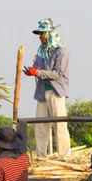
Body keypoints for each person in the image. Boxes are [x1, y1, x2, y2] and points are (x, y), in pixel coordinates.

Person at [23, 18, 71, 159]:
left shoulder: (62, 52)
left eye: (42, 34)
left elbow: (57, 74)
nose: (40, 37)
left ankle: (64, 156)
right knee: (41, 126)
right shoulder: (41, 52)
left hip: (56, 93)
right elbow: (38, 67)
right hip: (42, 92)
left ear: (50, 34)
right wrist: (33, 70)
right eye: (40, 34)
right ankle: (41, 156)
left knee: (60, 126)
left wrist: (38, 72)